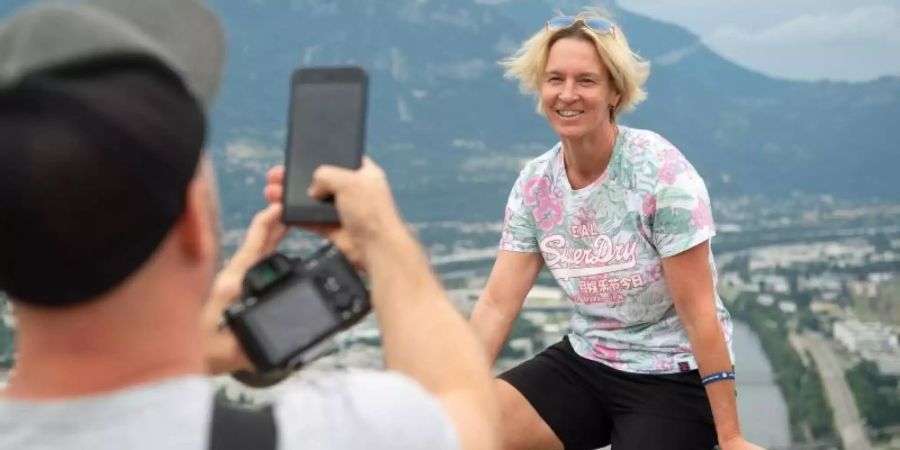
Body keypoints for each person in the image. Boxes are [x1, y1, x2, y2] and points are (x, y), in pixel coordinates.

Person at [0, 1, 500, 449]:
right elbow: (465, 409)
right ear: (193, 223)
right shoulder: (340, 434)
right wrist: (384, 236)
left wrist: (217, 346)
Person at [465, 9, 766, 450]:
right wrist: (449, 396)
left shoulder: (660, 173)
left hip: (671, 374)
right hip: (587, 361)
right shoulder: (535, 184)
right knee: (462, 430)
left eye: (586, 80)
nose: (568, 94)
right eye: (555, 79)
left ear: (614, 92)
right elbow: (495, 305)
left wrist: (732, 436)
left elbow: (700, 312)